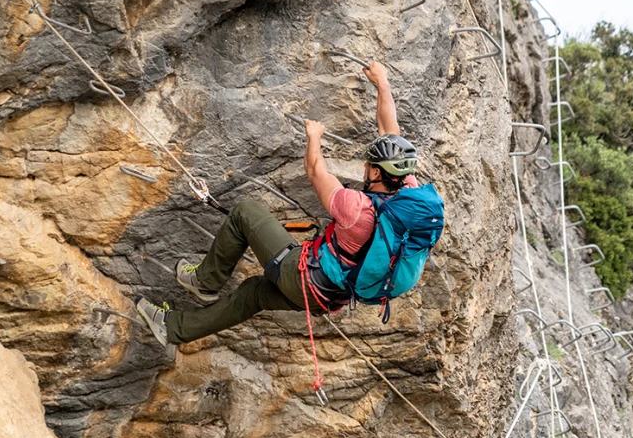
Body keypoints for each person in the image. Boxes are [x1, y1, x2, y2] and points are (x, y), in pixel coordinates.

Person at [134, 61, 421, 347]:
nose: (365, 167)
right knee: (253, 294)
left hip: (303, 277)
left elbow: (315, 171)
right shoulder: (408, 194)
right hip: (331, 297)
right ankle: (172, 328)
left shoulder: (355, 208)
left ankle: (205, 282)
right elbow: (390, 131)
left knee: (245, 211)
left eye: (368, 164)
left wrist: (314, 137)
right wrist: (382, 83)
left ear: (374, 172)